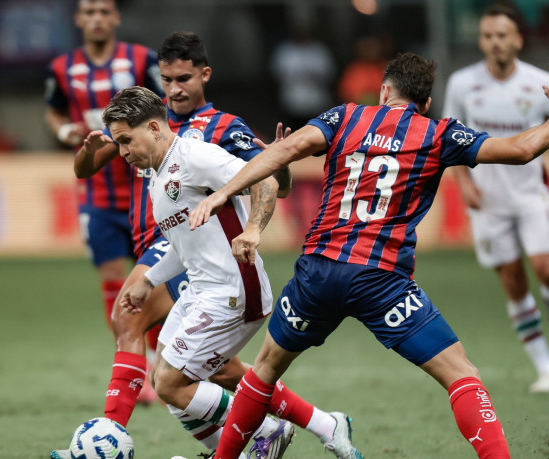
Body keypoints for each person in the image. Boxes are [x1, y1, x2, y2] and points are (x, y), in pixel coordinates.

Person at [190, 51, 549, 459]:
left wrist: (223, 194)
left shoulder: (345, 117)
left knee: (264, 371)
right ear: (426, 103)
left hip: (318, 273)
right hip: (380, 280)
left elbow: (284, 149)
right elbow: (522, 149)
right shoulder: (438, 134)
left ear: (383, 91)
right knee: (461, 374)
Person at [53, 33, 355, 459]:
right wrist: (150, 280)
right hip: (198, 280)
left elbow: (268, 180)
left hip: (231, 288)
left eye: (125, 142)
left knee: (170, 378)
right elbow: (182, 241)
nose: (120, 153)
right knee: (173, 375)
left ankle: (262, 430)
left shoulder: (199, 150)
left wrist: (253, 229)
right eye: (167, 79)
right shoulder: (156, 171)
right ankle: (294, 432)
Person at [442, 5, 549, 394]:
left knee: (547, 270)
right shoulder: (462, 84)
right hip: (488, 201)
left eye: (502, 35)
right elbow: (449, 137)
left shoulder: (539, 83)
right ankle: (545, 368)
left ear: (518, 39)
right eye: (488, 36)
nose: (495, 42)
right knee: (514, 281)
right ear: (481, 40)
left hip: (531, 195)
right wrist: (464, 183)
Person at [44, 0, 165, 349]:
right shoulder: (62, 68)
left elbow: (165, 106)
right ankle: (133, 356)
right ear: (78, 19)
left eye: (103, 11)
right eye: (90, 12)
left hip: (146, 193)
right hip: (97, 196)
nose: (97, 18)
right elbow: (52, 111)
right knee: (112, 281)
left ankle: (158, 355)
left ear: (115, 17)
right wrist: (63, 130)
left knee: (152, 280)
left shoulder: (141, 59)